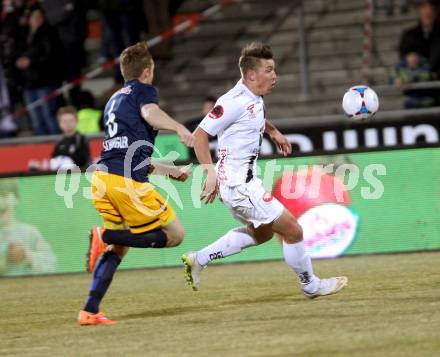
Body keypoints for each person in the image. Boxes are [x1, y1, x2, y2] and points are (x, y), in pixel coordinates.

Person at [181, 42, 347, 299]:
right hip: (238, 185)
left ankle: (199, 259)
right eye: (269, 70)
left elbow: (253, 117)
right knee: (293, 230)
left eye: (274, 69)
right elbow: (200, 135)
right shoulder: (232, 101)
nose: (274, 75)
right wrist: (209, 172)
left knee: (263, 234)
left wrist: (272, 131)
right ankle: (311, 285)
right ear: (251, 75)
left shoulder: (252, 98)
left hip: (243, 183)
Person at [78, 41, 195, 325]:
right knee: (175, 235)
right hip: (125, 182)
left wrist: (171, 171)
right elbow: (150, 114)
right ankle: (103, 235)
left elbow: (130, 155)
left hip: (103, 179)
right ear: (147, 70)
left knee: (120, 247)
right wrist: (179, 127)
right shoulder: (143, 92)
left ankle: (89, 310)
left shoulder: (114, 100)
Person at [0, 178, 56, 276]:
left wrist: (26, 256)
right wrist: (6, 260)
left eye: (4, 195)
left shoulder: (30, 232)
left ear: (16, 199)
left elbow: (51, 264)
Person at [398, 1, 440, 78]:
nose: (427, 14)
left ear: (435, 14)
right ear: (420, 13)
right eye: (425, 13)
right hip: (417, 82)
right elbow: (403, 57)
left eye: (430, 14)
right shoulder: (409, 35)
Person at [50, 105, 91, 170]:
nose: (68, 124)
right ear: (59, 123)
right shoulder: (59, 142)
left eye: (71, 120)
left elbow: (84, 161)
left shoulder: (81, 139)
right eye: (64, 121)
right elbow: (54, 160)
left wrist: (68, 157)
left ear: (76, 121)